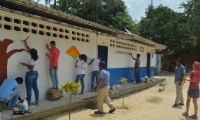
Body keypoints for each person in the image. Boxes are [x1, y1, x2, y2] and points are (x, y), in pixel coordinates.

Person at [20, 40, 39, 106]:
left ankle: (29, 103)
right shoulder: (36, 57)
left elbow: (31, 68)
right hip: (35, 74)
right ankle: (37, 101)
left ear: (31, 53)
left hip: (30, 74)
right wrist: (26, 44)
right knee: (35, 88)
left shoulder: (31, 60)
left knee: (29, 88)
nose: (29, 52)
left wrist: (25, 64)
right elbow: (30, 50)